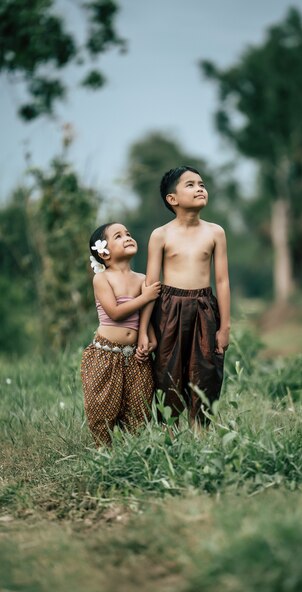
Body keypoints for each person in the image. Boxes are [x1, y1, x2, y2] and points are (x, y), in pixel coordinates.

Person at [138, 166, 230, 426]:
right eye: (190, 184)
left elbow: (222, 281)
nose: (200, 188)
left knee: (207, 371)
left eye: (202, 184)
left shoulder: (215, 232)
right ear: (172, 199)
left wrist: (225, 326)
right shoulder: (161, 235)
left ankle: (201, 435)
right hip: (169, 309)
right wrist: (144, 330)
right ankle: (171, 437)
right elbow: (150, 285)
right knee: (168, 371)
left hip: (204, 308)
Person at [81, 222, 161, 446]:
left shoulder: (142, 279)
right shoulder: (102, 279)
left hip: (136, 356)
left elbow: (145, 315)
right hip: (106, 354)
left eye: (128, 233)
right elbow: (115, 313)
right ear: (103, 252)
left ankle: (133, 453)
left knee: (139, 407)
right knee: (102, 406)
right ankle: (103, 453)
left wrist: (150, 337)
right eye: (118, 236)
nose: (127, 237)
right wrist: (145, 297)